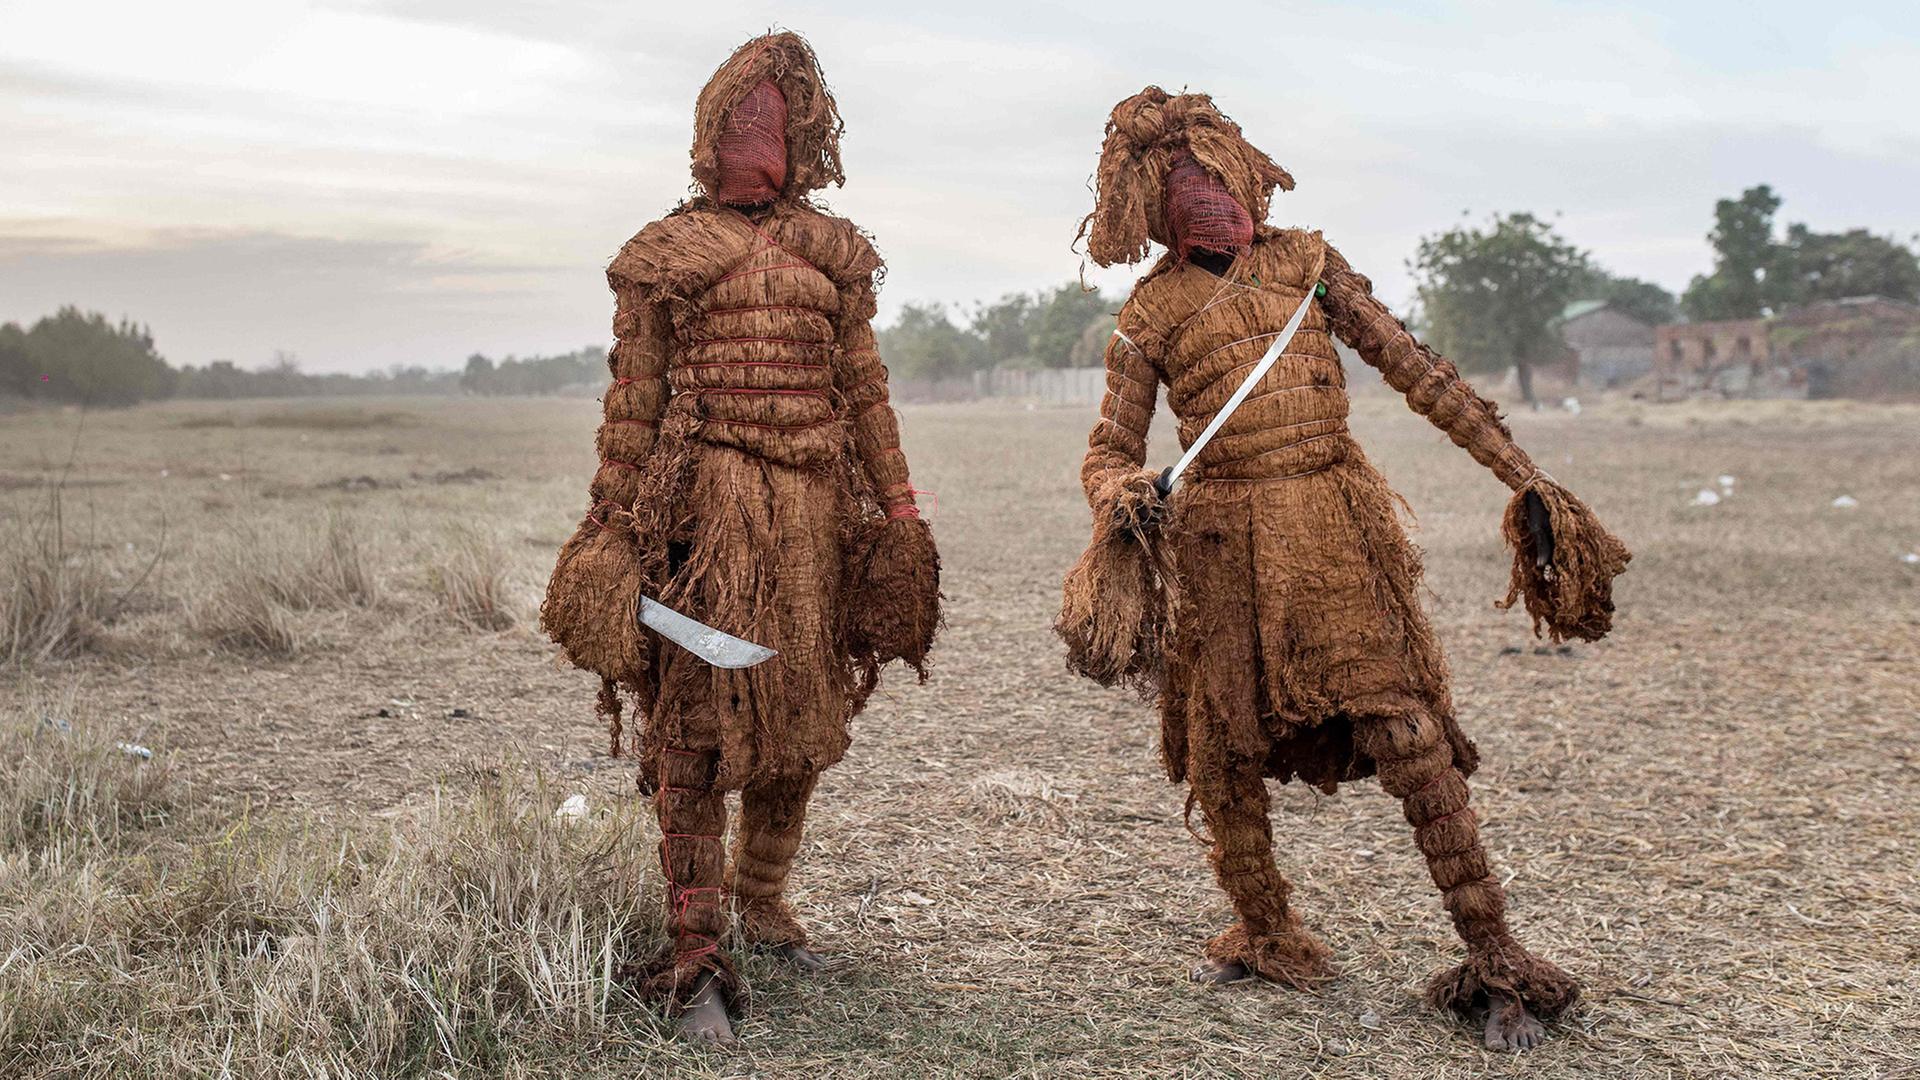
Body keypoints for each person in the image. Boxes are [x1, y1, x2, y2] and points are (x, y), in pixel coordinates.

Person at [1056, 86, 1630, 1052]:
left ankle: (1494, 958)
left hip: (1334, 527)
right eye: (1182, 187)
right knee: (1226, 752)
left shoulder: (1309, 264)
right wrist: (1122, 495)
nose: (1208, 200)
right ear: (1152, 209)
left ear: (1246, 172)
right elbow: (1108, 447)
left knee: (1409, 735)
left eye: (1216, 177)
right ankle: (1266, 932)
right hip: (1219, 547)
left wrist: (1522, 473)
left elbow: (1419, 372)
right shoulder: (1149, 315)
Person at [540, 31, 940, 1045]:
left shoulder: (833, 254)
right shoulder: (665, 255)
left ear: (802, 141)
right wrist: (611, 525)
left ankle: (761, 900)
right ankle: (695, 950)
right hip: (705, 520)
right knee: (694, 727)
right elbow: (633, 404)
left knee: (799, 719)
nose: (750, 138)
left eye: (770, 123)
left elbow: (866, 395)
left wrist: (898, 514)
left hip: (814, 518)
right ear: (703, 139)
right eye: (734, 123)